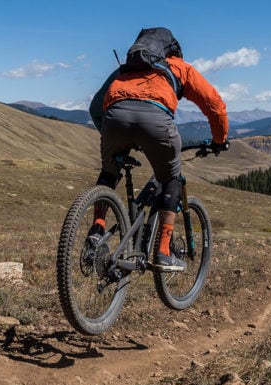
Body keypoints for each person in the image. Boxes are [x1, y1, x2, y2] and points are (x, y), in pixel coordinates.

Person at [88, 27, 230, 272]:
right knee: (171, 179)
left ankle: (97, 227)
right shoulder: (178, 66)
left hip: (114, 119)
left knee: (109, 173)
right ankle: (163, 251)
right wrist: (220, 139)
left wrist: (114, 136)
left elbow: (94, 107)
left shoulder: (125, 69)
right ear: (171, 49)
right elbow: (214, 105)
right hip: (156, 124)